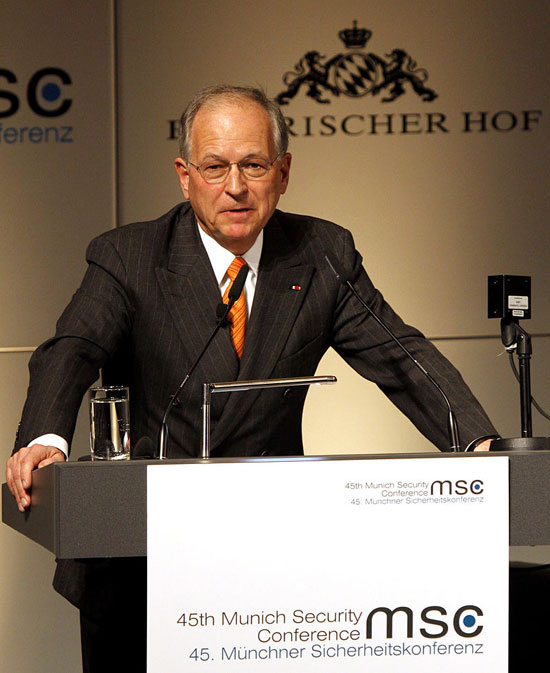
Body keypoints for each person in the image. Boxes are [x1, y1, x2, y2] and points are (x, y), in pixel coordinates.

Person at [6, 85, 498, 672]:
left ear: (283, 173)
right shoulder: (130, 256)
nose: (235, 186)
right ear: (185, 177)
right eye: (215, 167)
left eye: (254, 165)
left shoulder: (323, 252)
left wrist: (478, 443)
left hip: (268, 568)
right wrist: (45, 438)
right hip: (141, 559)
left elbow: (399, 354)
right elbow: (72, 349)